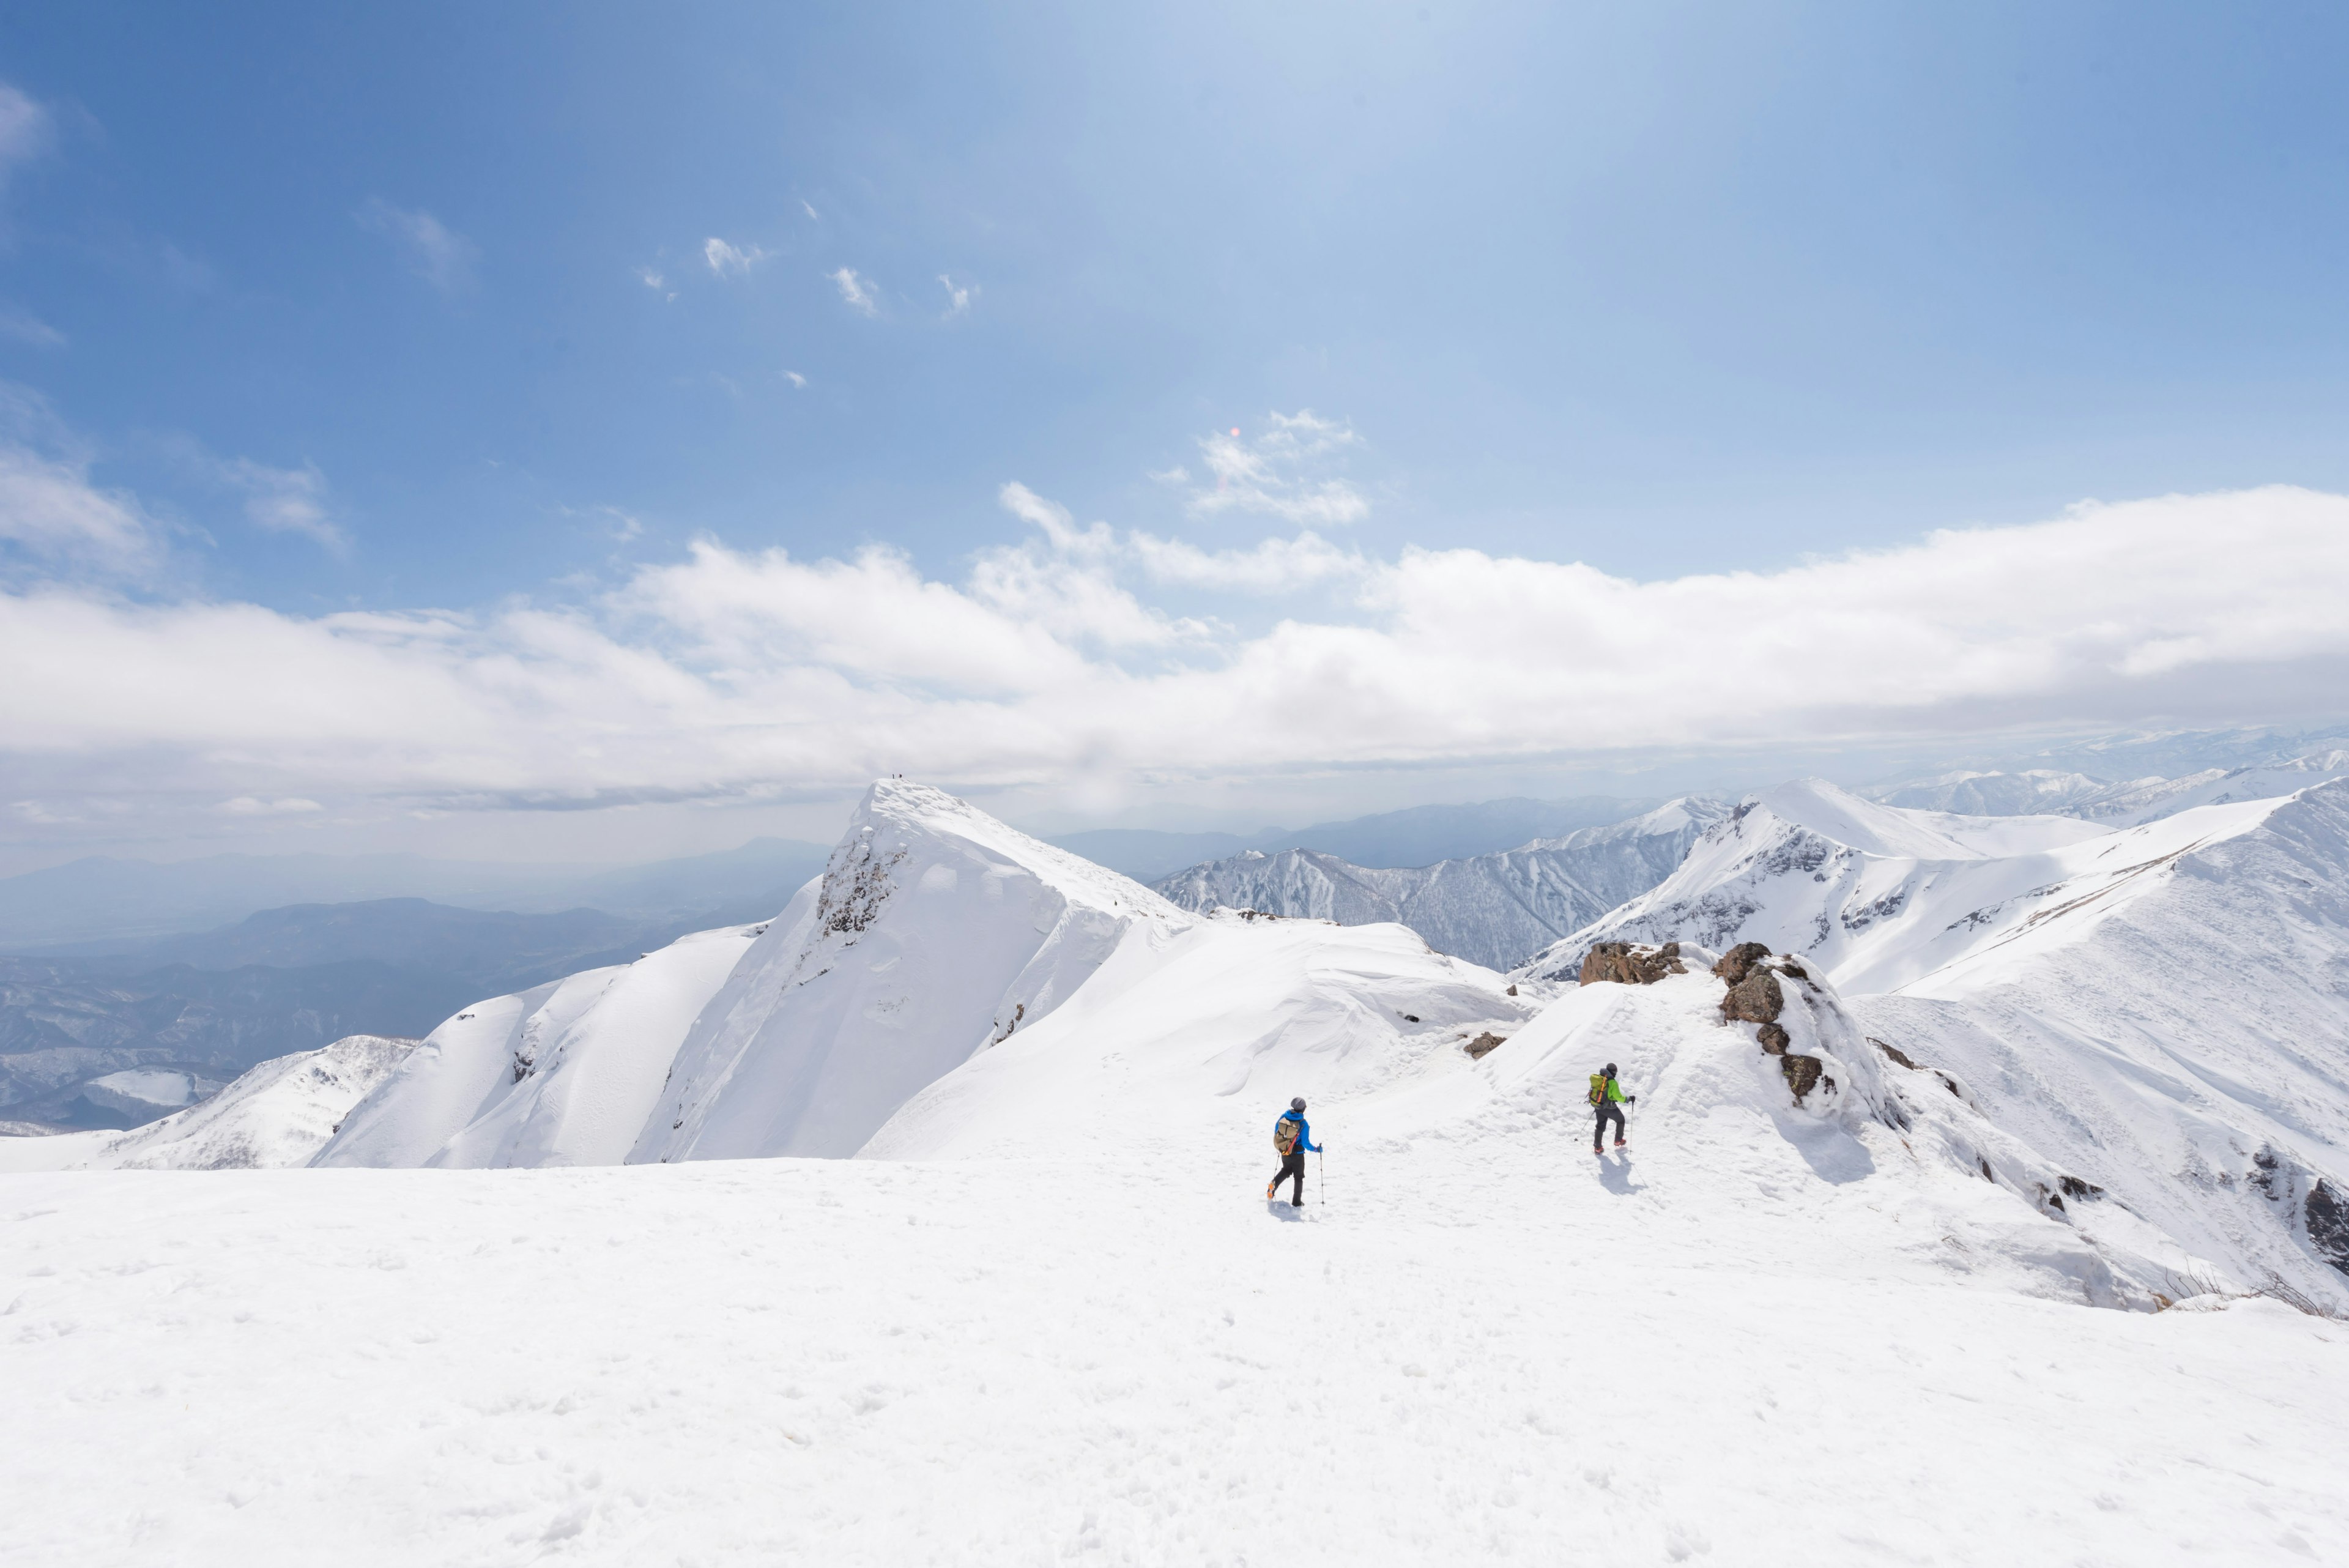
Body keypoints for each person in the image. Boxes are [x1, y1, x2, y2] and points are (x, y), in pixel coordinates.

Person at [1267, 1096, 1322, 1206]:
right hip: (1298, 1155)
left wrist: (1283, 1143)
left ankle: (1272, 1186)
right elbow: (1306, 1143)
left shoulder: (1284, 1116)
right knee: (1299, 1177)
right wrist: (1316, 1149)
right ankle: (1296, 1202)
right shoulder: (1303, 1124)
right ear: (1303, 1109)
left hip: (1285, 1151)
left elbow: (1276, 1130)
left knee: (1286, 1170)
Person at [1590, 1063, 1636, 1152]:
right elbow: (1618, 1097)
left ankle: (1597, 1147)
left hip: (1598, 1106)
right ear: (1613, 1072)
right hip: (1609, 1108)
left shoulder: (1600, 1079)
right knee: (1621, 1120)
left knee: (1600, 1126)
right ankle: (1618, 1141)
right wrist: (1628, 1099)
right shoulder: (1612, 1082)